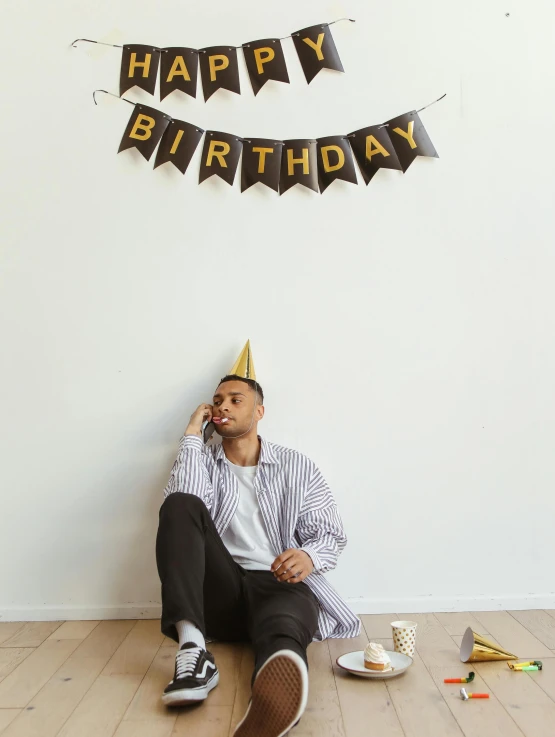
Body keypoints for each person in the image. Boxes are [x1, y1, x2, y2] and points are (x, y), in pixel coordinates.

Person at [156, 342, 360, 737]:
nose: (223, 407)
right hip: (221, 591)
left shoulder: (296, 466)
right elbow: (184, 507)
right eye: (217, 401)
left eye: (236, 399)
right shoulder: (202, 459)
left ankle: (277, 687)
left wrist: (308, 556)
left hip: (278, 583)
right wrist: (192, 435)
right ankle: (194, 650)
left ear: (259, 412)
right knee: (179, 504)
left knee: (284, 623)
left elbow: (331, 534)